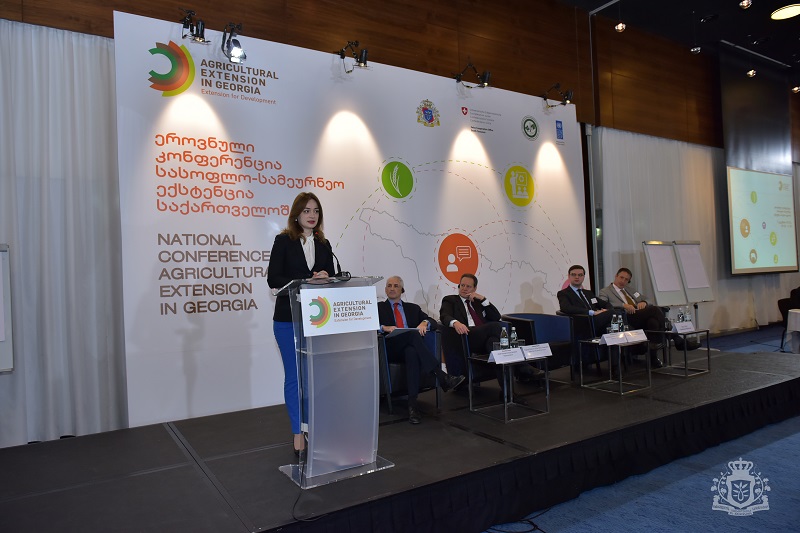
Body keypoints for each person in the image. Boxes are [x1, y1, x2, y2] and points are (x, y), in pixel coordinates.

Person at [267, 192, 335, 457]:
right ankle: (298, 431)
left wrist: (326, 276)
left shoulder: (324, 244)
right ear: (296, 214)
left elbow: (333, 276)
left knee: (314, 377)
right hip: (288, 320)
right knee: (295, 378)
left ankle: (315, 427)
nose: (312, 215)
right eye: (307, 210)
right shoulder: (284, 241)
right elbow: (274, 278)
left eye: (316, 211)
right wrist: (307, 280)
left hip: (317, 320)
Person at [377, 276, 464, 424]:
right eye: (389, 286)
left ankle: (413, 406)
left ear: (402, 290)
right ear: (385, 290)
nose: (392, 288)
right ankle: (441, 375)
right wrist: (383, 327)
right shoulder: (378, 308)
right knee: (412, 335)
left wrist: (424, 323)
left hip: (408, 348)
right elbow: (368, 325)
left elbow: (433, 322)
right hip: (389, 349)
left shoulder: (413, 308)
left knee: (411, 351)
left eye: (396, 286)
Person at [440, 273, 542, 387]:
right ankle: (522, 366)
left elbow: (496, 316)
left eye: (468, 286)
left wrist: (483, 299)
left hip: (483, 339)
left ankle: (508, 392)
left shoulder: (477, 302)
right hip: (467, 336)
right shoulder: (450, 300)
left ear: (474, 289)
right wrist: (455, 323)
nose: (464, 288)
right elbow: (444, 316)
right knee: (495, 326)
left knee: (495, 345)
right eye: (462, 285)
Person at [598, 267, 665, 368]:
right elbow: (603, 304)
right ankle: (669, 337)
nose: (623, 281)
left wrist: (644, 302)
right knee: (655, 310)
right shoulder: (605, 291)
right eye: (621, 277)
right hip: (625, 317)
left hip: (638, 315)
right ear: (616, 276)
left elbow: (648, 299)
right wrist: (623, 305)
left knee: (653, 322)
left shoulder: (630, 290)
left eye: (626, 279)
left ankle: (653, 358)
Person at [557, 264, 614, 333]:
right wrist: (592, 312)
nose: (577, 277)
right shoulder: (563, 293)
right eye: (573, 275)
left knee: (614, 318)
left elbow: (605, 304)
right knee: (613, 314)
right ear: (569, 276)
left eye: (580, 275)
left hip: (595, 321)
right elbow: (566, 308)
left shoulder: (588, 293)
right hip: (581, 323)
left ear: (583, 277)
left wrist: (606, 310)